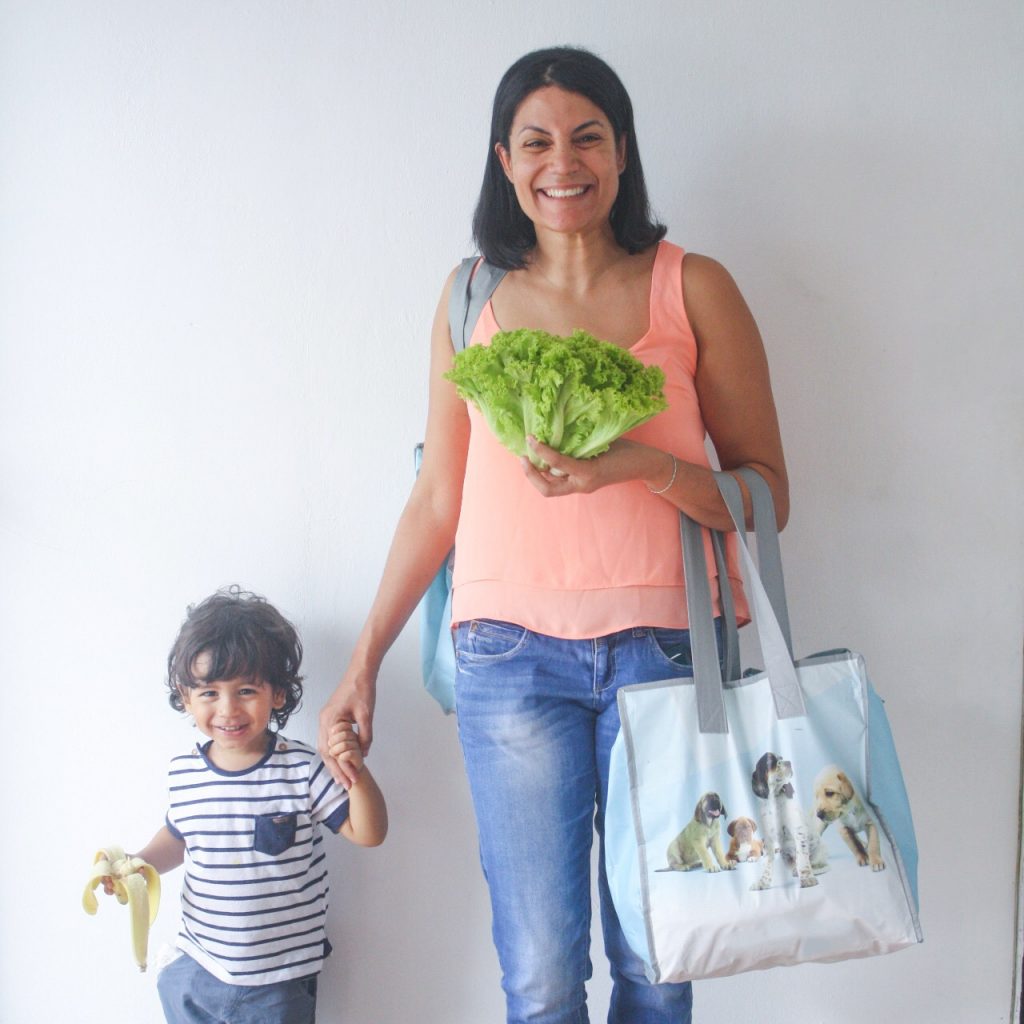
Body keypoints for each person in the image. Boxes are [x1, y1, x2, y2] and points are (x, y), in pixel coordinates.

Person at [318, 46, 787, 1024]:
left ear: (622, 152)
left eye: (586, 137)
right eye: (535, 142)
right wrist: (363, 662)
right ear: (504, 160)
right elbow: (436, 501)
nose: (561, 163)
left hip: (669, 658)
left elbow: (765, 498)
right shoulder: (469, 297)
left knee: (660, 961)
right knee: (538, 977)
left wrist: (641, 464)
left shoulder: (693, 286)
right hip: (508, 661)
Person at [99, 587, 387, 1024]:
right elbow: (177, 837)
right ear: (186, 695)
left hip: (279, 981)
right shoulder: (184, 772)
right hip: (198, 967)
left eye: (246, 690)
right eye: (209, 693)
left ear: (278, 693)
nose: (228, 709)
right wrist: (140, 865)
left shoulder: (302, 768)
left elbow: (369, 833)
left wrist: (356, 771)